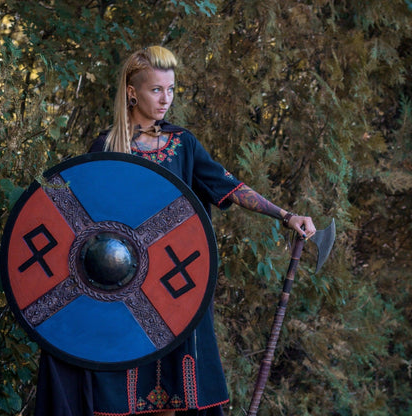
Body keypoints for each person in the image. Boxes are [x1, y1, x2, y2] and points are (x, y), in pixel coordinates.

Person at [34, 45, 315, 416]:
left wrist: (285, 215)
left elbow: (228, 186)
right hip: (119, 287)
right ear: (132, 92)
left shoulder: (182, 144)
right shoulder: (106, 147)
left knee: (174, 395)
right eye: (156, 90)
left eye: (170, 89)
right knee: (121, 392)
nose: (166, 99)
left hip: (173, 285)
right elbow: (79, 225)